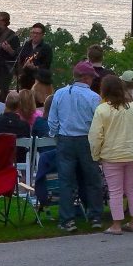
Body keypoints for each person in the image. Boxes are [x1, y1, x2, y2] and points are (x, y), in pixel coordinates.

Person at [88, 75, 133, 234]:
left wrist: (96, 155)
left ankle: (116, 225)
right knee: (132, 189)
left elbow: (95, 136)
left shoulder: (102, 109)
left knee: (115, 191)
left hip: (112, 154)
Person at [48, 61, 103, 232]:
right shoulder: (93, 97)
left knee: (66, 181)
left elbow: (52, 120)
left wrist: (56, 135)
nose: (93, 80)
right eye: (92, 77)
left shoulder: (60, 94)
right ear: (86, 77)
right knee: (93, 179)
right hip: (86, 139)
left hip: (66, 139)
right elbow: (98, 121)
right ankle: (95, 216)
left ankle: (67, 219)